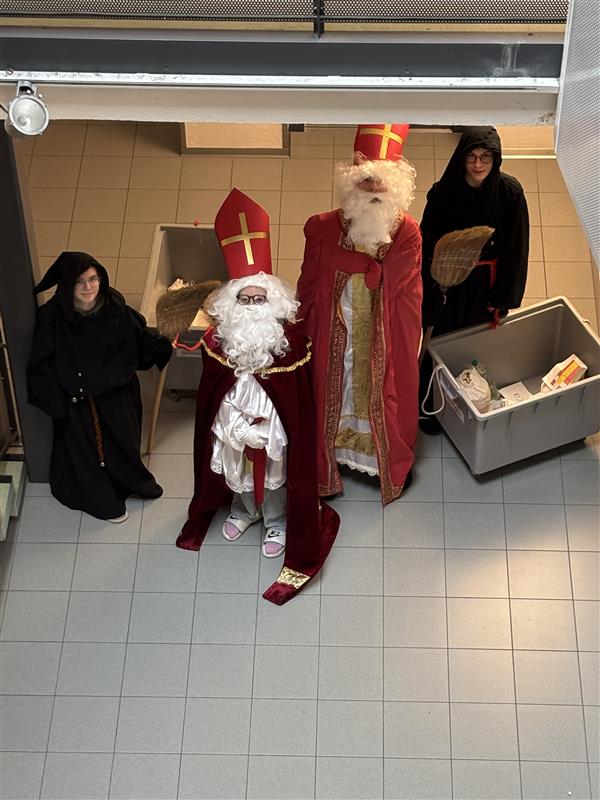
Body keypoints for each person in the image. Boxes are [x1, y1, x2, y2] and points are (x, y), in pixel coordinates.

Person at [177, 189, 339, 605]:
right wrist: (235, 428)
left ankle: (276, 521)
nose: (251, 307)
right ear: (232, 303)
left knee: (276, 477)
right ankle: (245, 511)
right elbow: (214, 398)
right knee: (240, 475)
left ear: (273, 301)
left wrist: (268, 432)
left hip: (274, 436)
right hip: (234, 432)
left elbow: (294, 405)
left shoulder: (291, 343)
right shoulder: (219, 342)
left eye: (259, 299)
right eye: (244, 300)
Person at [297, 124, 422, 505]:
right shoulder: (322, 227)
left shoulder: (407, 232)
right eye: (365, 180)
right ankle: (330, 460)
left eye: (380, 181)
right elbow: (309, 281)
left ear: (395, 185)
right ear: (352, 181)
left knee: (382, 387)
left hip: (383, 327)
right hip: (334, 326)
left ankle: (381, 460)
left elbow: (404, 288)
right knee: (330, 386)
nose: (372, 189)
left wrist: (363, 268)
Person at [27, 251, 172, 521]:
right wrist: (57, 402)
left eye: (93, 279)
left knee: (123, 444)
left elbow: (138, 338)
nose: (88, 287)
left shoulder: (114, 307)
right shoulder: (53, 317)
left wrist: (161, 345)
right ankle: (102, 500)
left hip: (118, 394)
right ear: (67, 284)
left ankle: (131, 483)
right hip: (81, 402)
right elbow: (41, 362)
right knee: (87, 454)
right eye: (79, 281)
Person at [419, 125, 529, 433]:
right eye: (471, 157)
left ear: (496, 159)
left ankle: (473, 405)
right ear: (461, 157)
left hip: (486, 285)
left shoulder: (510, 193)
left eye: (485, 157)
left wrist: (503, 298)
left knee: (476, 346)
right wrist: (432, 286)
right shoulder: (442, 193)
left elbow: (516, 249)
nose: (478, 164)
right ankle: (432, 408)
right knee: (439, 343)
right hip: (449, 284)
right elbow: (426, 242)